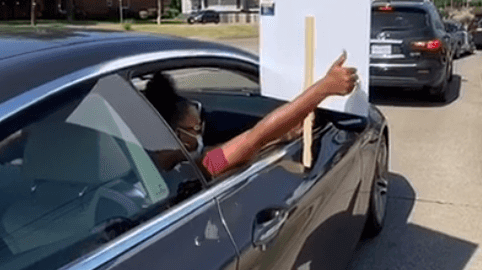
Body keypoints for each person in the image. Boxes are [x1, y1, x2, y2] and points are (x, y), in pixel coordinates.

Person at [144, 52, 358, 177]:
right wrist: (324, 88)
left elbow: (240, 145)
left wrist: (283, 137)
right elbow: (254, 139)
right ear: (175, 135)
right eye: (196, 129)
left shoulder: (140, 163)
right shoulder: (199, 169)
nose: (201, 134)